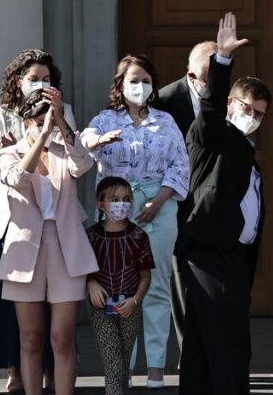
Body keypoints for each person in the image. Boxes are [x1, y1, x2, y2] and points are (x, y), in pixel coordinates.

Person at [176, 12, 271, 395]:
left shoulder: (246, 151)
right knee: (227, 346)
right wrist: (223, 61)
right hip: (207, 253)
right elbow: (212, 110)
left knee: (203, 344)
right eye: (247, 109)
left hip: (232, 258)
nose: (252, 118)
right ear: (232, 103)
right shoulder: (209, 134)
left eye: (260, 114)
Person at [81, 55, 189, 389]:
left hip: (159, 205)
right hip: (117, 206)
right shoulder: (104, 120)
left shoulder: (166, 122)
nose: (139, 86)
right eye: (132, 80)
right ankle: (121, 368)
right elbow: (83, 143)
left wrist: (157, 202)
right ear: (120, 85)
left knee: (155, 288)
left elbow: (180, 165)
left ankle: (156, 367)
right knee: (117, 285)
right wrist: (95, 142)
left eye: (144, 80)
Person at [0, 90, 98, 395]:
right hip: (25, 249)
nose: (47, 127)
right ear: (26, 121)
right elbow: (16, 179)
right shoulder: (10, 151)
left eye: (51, 121)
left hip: (65, 244)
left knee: (62, 336)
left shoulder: (66, 147)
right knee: (30, 337)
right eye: (41, 121)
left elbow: (83, 166)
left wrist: (63, 127)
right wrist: (39, 139)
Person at [0, 49, 74, 390]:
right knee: (20, 317)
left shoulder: (65, 112)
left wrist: (56, 125)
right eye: (33, 78)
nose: (40, 83)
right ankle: (16, 374)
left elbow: (74, 155)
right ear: (18, 81)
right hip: (15, 221)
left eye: (46, 78)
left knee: (59, 321)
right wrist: (22, 147)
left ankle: (54, 375)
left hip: (58, 221)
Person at [156, 39, 216, 358]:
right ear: (191, 76)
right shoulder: (164, 101)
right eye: (209, 76)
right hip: (176, 206)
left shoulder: (228, 100)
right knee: (180, 288)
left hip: (214, 209)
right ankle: (189, 360)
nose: (215, 83)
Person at [86, 176, 154, 395]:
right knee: (113, 361)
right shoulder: (92, 236)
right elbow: (81, 269)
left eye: (126, 199)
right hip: (100, 309)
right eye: (114, 199)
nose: (121, 204)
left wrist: (135, 301)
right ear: (101, 204)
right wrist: (91, 283)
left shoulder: (139, 236)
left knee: (123, 364)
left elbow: (145, 276)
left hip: (129, 308)